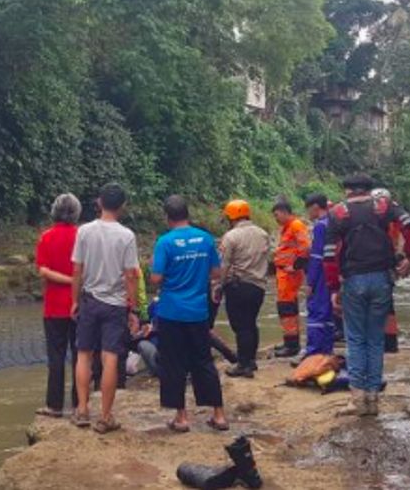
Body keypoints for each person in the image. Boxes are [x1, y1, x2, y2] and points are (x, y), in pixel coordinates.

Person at [325, 174, 410, 417]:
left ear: (348, 191)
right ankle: (373, 397)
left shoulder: (338, 212)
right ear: (369, 190)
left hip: (353, 280)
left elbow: (328, 253)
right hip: (382, 279)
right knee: (375, 338)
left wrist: (333, 288)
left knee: (356, 339)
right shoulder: (384, 206)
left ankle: (358, 398)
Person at [151, 195, 229, 433]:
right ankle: (219, 415)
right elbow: (216, 273)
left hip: (171, 311)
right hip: (198, 311)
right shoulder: (205, 239)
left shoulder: (165, 242)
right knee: (203, 361)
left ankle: (182, 418)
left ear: (167, 217)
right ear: (188, 214)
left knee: (173, 364)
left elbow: (156, 278)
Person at [71, 183, 141, 434]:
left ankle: (81, 409)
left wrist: (75, 300)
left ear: (99, 202)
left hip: (89, 300)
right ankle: (106, 416)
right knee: (110, 357)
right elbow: (131, 275)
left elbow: (77, 269)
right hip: (115, 304)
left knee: (84, 354)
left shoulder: (84, 232)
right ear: (122, 206)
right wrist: (132, 308)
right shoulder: (126, 236)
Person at [35, 193, 81, 418]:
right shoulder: (82, 236)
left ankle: (54, 405)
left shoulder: (46, 237)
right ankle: (78, 404)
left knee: (56, 356)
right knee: (80, 354)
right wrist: (74, 281)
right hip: (78, 304)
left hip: (53, 305)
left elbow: (43, 271)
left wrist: (61, 281)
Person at [217, 199, 270, 378]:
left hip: (238, 286)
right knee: (251, 323)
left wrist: (219, 286)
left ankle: (243, 364)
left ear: (231, 217)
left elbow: (224, 265)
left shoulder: (231, 236)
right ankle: (251, 360)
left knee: (240, 326)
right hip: (258, 286)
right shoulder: (263, 234)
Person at [272, 201, 310, 358]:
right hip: (284, 273)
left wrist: (295, 266)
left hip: (289, 274)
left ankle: (291, 345)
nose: (276, 218)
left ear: (284, 211)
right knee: (286, 307)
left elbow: (306, 247)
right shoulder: (288, 227)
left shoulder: (296, 225)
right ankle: (290, 340)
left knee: (287, 307)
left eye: (276, 215)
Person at [302, 194, 336, 357]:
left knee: (316, 311)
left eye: (308, 209)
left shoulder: (320, 226)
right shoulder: (334, 222)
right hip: (333, 272)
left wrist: (310, 282)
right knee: (328, 313)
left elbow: (316, 256)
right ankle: (326, 351)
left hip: (321, 274)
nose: (308, 213)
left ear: (315, 207)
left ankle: (314, 352)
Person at [371, 188, 403, 354]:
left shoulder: (385, 216)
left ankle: (387, 340)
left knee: (382, 302)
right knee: (386, 301)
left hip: (381, 261)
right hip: (387, 260)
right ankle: (390, 340)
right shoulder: (395, 213)